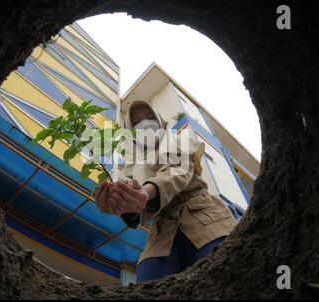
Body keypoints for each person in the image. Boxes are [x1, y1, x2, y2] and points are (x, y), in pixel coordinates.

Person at [94, 100, 238, 283]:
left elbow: (177, 170)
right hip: (161, 233)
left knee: (226, 277)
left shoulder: (179, 140)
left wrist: (146, 192)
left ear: (160, 120)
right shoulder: (131, 166)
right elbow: (133, 202)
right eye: (137, 121)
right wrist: (121, 203)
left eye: (150, 117)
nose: (145, 123)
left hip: (204, 217)